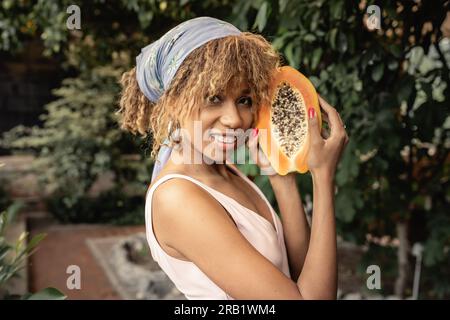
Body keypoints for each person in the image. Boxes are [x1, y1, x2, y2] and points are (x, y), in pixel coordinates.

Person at [116, 16, 349, 300]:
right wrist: (322, 177)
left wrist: (280, 179)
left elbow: (300, 274)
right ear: (174, 102)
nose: (234, 119)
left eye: (244, 100)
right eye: (214, 98)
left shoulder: (223, 171)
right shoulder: (178, 198)